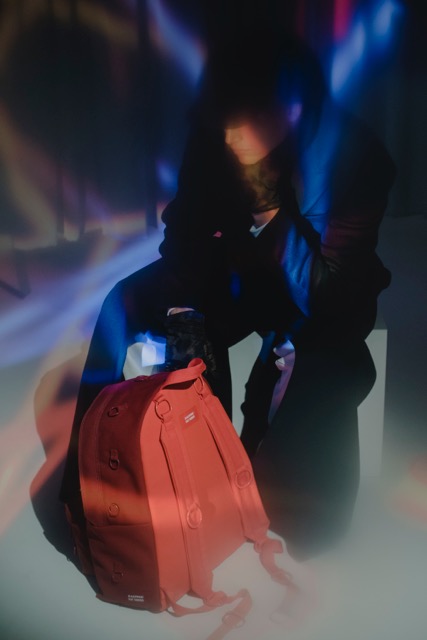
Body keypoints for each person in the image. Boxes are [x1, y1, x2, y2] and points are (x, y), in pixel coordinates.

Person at [61, 29, 395, 559]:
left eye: (245, 118)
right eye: (224, 119)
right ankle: (87, 493)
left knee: (315, 531)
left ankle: (285, 422)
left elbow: (327, 297)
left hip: (324, 306)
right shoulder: (216, 132)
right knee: (122, 304)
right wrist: (185, 314)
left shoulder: (358, 158)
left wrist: (266, 205)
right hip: (239, 274)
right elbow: (184, 231)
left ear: (291, 107)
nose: (230, 135)